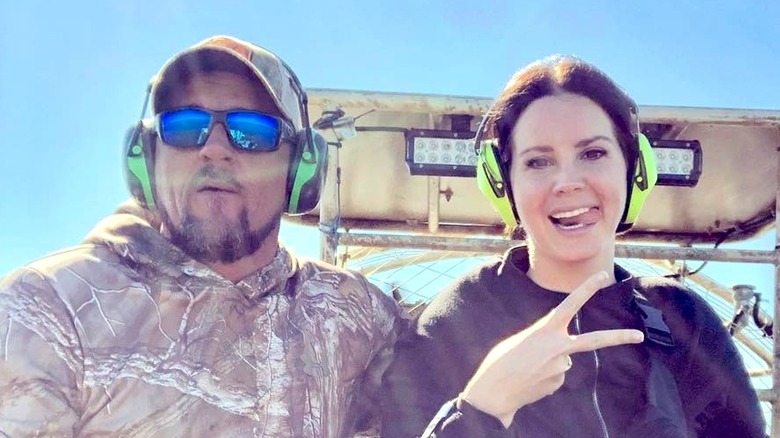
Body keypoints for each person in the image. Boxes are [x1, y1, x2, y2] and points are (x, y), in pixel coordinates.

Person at [0, 35, 405, 437]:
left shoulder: (358, 317)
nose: (214, 149)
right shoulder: (46, 309)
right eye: (184, 126)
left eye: (251, 131)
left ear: (300, 169)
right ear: (148, 156)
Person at [381, 55, 765, 437]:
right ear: (504, 184)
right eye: (537, 162)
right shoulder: (456, 320)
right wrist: (482, 407)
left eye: (593, 154)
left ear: (633, 171)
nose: (567, 182)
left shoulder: (682, 318)